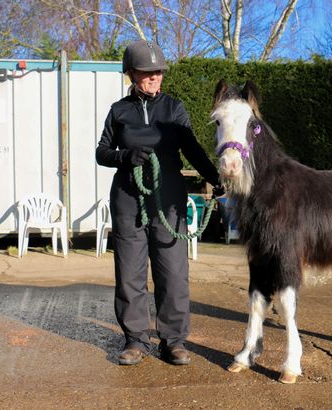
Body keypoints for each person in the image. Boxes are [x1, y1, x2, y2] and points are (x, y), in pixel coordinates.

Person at [95, 40, 222, 366]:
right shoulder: (118, 111)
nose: (154, 78)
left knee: (173, 274)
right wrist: (125, 156)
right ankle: (136, 340)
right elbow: (102, 152)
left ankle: (174, 342)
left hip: (168, 203)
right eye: (147, 73)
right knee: (129, 275)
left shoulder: (174, 109)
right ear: (132, 74)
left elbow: (192, 149)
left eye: (159, 73)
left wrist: (216, 177)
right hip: (128, 201)